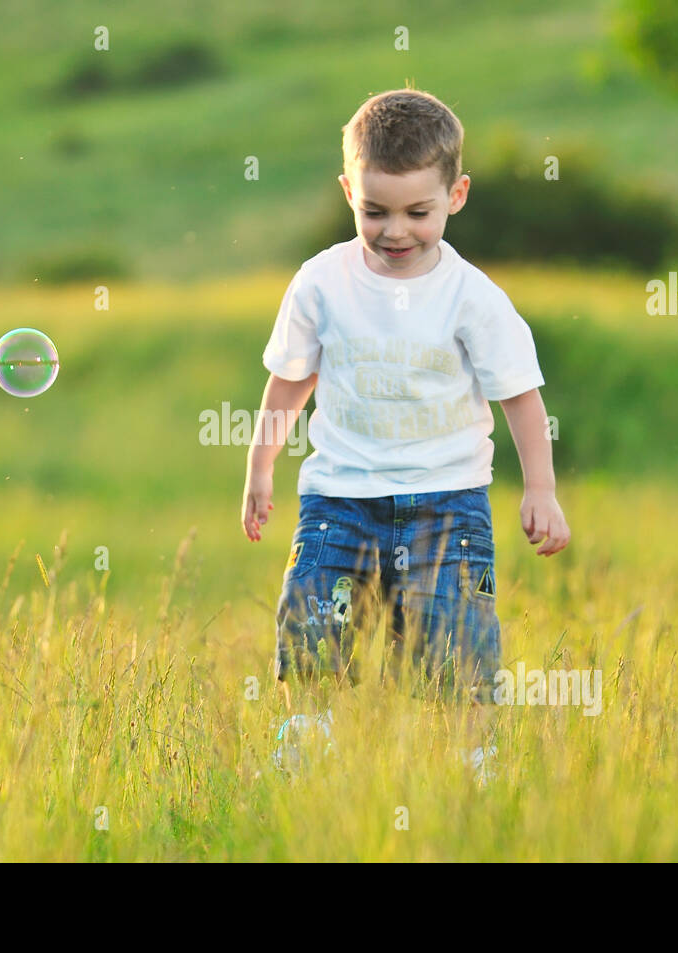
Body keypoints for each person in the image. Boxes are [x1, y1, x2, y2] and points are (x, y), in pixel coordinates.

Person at [240, 88, 570, 779]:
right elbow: (291, 381)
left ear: (457, 195)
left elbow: (521, 396)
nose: (396, 230)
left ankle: (475, 762)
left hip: (447, 503)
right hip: (338, 500)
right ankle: (306, 742)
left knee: (455, 649)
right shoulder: (321, 283)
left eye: (418, 212)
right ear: (347, 191)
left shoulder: (472, 296)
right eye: (374, 210)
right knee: (313, 626)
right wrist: (261, 466)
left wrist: (540, 486)